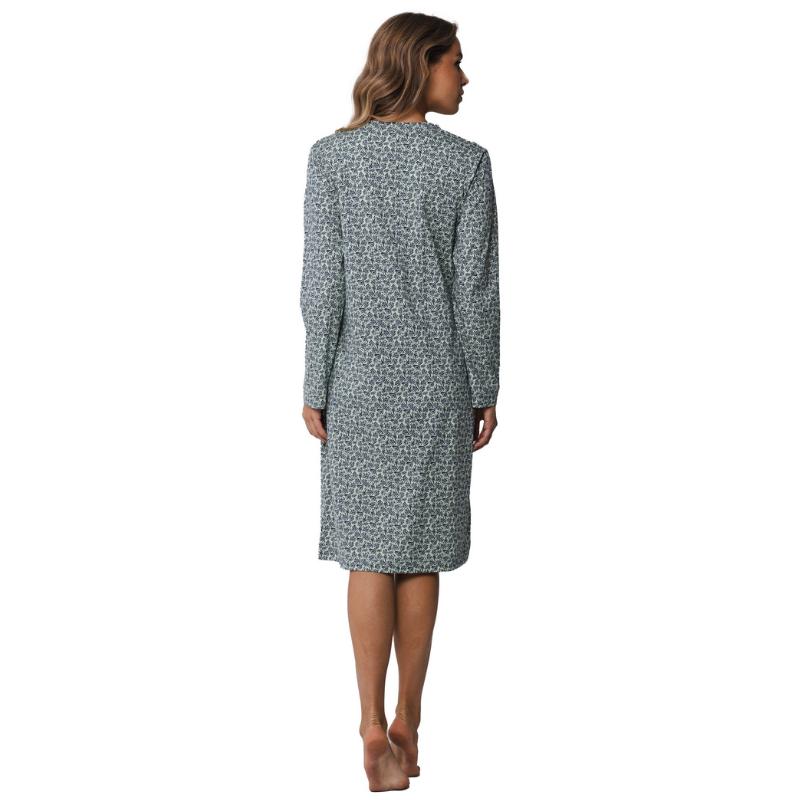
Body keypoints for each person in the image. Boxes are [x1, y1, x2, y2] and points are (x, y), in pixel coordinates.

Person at [300, 12, 500, 792]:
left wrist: (315, 382)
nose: (465, 77)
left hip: (357, 383)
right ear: (420, 64)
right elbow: (476, 292)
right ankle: (410, 717)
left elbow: (323, 286)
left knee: (368, 552)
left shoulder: (332, 158)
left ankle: (369, 719)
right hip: (438, 386)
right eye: (456, 61)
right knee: (422, 552)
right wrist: (485, 385)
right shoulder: (466, 164)